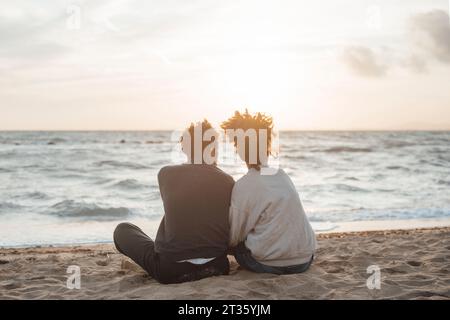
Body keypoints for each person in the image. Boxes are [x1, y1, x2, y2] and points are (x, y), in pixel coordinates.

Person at [113, 120, 234, 284]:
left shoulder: (166, 174)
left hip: (171, 271)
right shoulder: (227, 180)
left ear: (184, 146)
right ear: (213, 148)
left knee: (123, 230)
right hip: (217, 266)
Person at [221, 110, 316, 274]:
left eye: (236, 144)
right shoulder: (282, 175)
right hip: (305, 259)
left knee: (236, 245)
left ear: (242, 149)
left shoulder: (245, 185)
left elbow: (234, 237)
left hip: (270, 263)